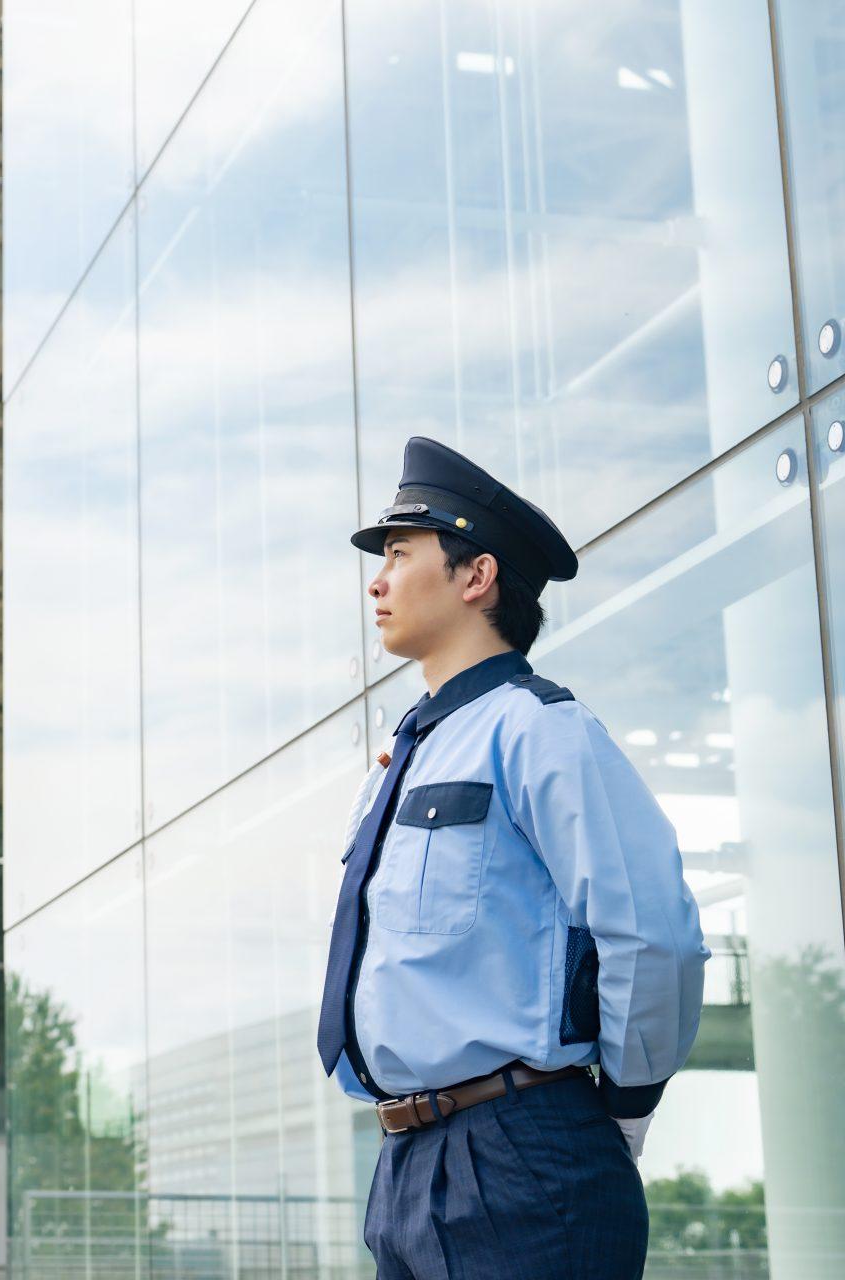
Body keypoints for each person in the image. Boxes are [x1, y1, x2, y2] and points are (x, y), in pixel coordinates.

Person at [315, 436, 710, 1279]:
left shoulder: (538, 730)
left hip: (522, 1154)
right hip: (407, 1167)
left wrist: (625, 1107)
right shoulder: (402, 757)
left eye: (399, 554)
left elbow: (653, 934)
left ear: (477, 576)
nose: (377, 582)